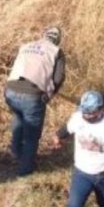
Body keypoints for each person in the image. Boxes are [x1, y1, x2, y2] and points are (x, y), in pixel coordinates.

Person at [4, 26, 65, 176]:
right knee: (32, 135)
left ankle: (16, 152)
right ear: (57, 40)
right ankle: (26, 169)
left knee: (19, 117)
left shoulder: (26, 46)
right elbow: (58, 78)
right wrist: (49, 94)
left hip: (10, 91)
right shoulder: (56, 51)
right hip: (32, 95)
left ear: (43, 35)